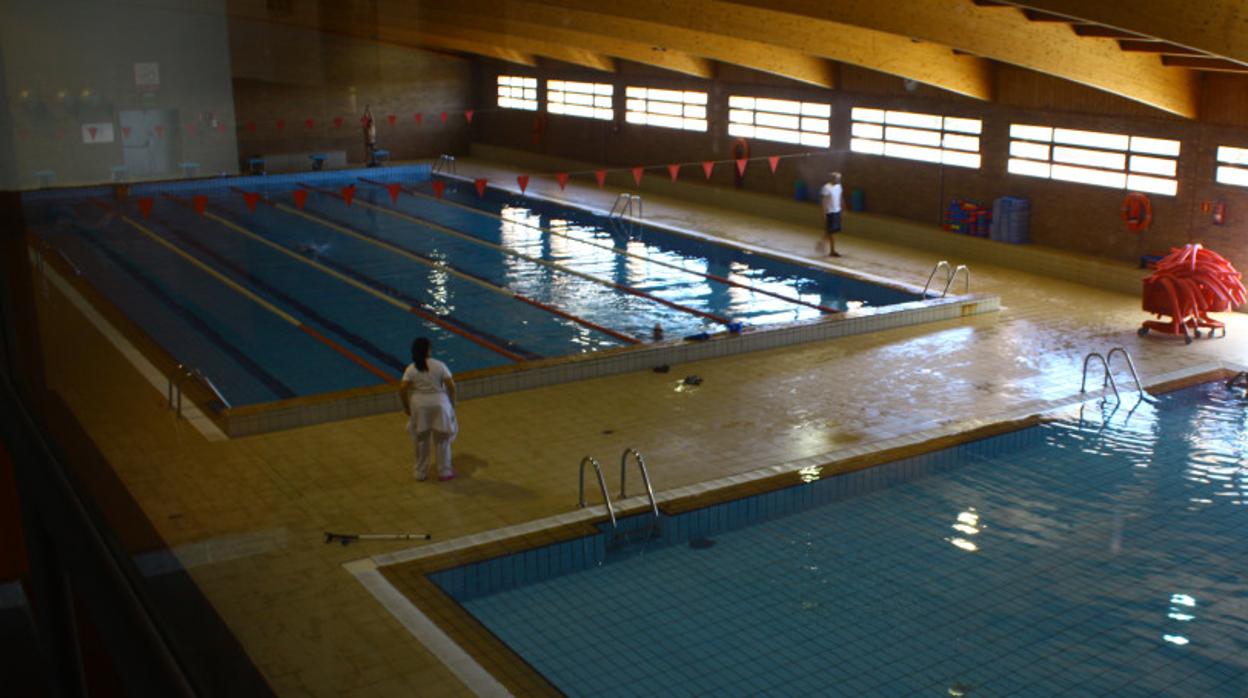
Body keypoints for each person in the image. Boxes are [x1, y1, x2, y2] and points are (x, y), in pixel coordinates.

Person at [399, 337, 458, 481]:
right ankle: (444, 471)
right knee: (442, 439)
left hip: (420, 406)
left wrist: (406, 407)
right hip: (440, 404)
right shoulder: (439, 365)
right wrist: (452, 403)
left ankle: (421, 472)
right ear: (428, 350)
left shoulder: (411, 368)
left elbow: (402, 388)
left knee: (421, 440)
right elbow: (451, 385)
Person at [820, 172, 844, 257]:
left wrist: (842, 209)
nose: (839, 180)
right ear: (832, 179)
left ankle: (821, 244)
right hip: (830, 212)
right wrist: (823, 213)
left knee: (832, 231)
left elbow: (840, 197)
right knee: (831, 231)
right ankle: (832, 250)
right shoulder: (826, 188)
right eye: (837, 179)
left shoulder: (839, 186)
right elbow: (823, 201)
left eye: (839, 179)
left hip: (837, 210)